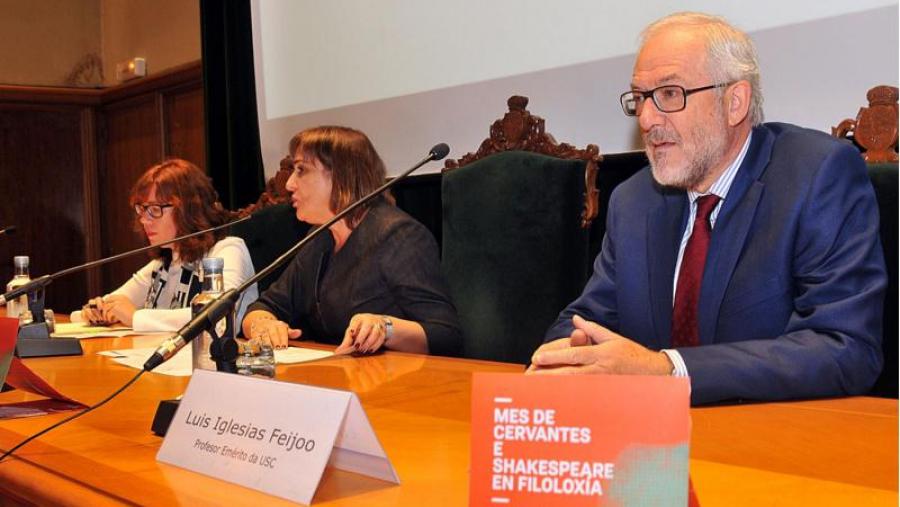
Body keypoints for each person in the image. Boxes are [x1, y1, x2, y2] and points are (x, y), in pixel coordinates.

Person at [528, 12, 886, 405]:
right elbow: (584, 321)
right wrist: (569, 354)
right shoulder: (634, 201)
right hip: (650, 450)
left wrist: (667, 370)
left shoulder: (816, 176)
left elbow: (844, 347)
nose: (647, 119)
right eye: (640, 98)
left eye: (668, 94)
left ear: (734, 102)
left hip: (773, 444)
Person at [240, 126, 462, 356]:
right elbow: (265, 306)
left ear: (340, 175)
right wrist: (262, 325)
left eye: (301, 170)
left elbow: (446, 336)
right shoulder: (319, 238)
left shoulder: (399, 236)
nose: (289, 184)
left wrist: (385, 328)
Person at [80, 159, 258, 331]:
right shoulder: (164, 263)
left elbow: (217, 317)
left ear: (187, 210)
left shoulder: (227, 250)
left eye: (154, 210)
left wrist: (135, 317)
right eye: (141, 210)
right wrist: (96, 310)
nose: (143, 220)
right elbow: (115, 302)